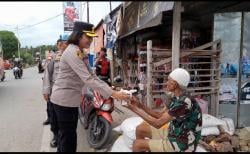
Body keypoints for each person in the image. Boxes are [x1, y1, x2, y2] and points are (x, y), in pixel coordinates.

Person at [50, 21, 130, 152]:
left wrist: (111, 89)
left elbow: (92, 75)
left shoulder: (81, 52)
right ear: (79, 35)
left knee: (68, 137)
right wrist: (113, 94)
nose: (91, 40)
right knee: (68, 139)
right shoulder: (72, 52)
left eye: (92, 37)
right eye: (88, 37)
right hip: (63, 101)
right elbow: (87, 79)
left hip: (70, 101)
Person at [126, 68, 202, 152]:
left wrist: (134, 109)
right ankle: (147, 148)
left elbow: (157, 123)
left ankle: (143, 147)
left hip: (183, 144)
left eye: (169, 80)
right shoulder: (177, 97)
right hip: (174, 132)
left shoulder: (184, 102)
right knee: (140, 129)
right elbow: (160, 116)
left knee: (137, 145)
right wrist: (139, 105)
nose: (166, 83)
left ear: (175, 84)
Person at [42, 34, 69, 147]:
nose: (66, 45)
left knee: (66, 120)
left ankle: (64, 138)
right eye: (65, 43)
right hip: (54, 93)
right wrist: (46, 90)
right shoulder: (53, 58)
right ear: (60, 44)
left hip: (68, 94)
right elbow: (47, 74)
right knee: (54, 117)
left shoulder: (74, 56)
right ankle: (56, 137)